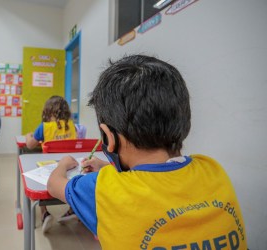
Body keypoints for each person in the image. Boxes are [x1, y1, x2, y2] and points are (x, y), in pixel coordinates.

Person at [47, 55, 248, 249]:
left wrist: (64, 163)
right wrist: (108, 168)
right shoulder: (212, 170)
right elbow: (159, 179)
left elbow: (54, 184)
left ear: (108, 137)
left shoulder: (101, 188)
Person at [25, 95, 77, 233]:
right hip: (70, 169)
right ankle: (73, 209)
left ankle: (44, 213)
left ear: (48, 111)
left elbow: (30, 145)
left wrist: (28, 136)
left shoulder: (44, 127)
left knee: (33, 176)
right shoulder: (72, 126)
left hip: (49, 170)